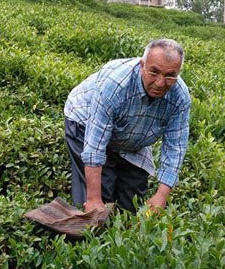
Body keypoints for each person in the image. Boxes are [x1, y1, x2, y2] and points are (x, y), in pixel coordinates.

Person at [63, 38, 191, 214]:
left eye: (170, 75)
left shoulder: (180, 97)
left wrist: (161, 195)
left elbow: (175, 147)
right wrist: (93, 199)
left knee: (132, 203)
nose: (161, 83)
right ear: (142, 65)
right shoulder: (116, 86)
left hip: (132, 132)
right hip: (85, 121)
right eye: (154, 72)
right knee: (100, 200)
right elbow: (94, 146)